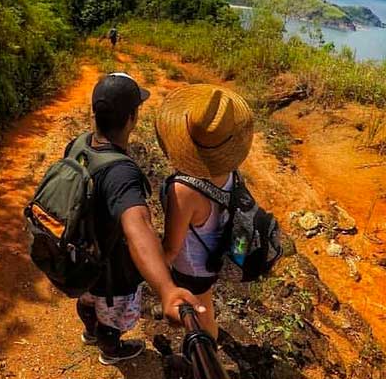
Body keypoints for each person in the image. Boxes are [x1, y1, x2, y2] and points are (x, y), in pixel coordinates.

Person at [72, 72, 203, 365]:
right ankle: (110, 348)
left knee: (87, 300)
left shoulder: (79, 144)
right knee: (113, 315)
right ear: (132, 118)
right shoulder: (121, 173)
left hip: (81, 255)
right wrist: (167, 289)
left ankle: (90, 332)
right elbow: (137, 227)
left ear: (94, 113)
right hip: (112, 270)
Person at [155, 84, 254, 341]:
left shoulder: (183, 189)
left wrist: (155, 276)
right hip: (215, 256)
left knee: (202, 315)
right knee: (205, 305)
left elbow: (172, 248)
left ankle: (207, 354)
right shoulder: (229, 171)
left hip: (192, 267)